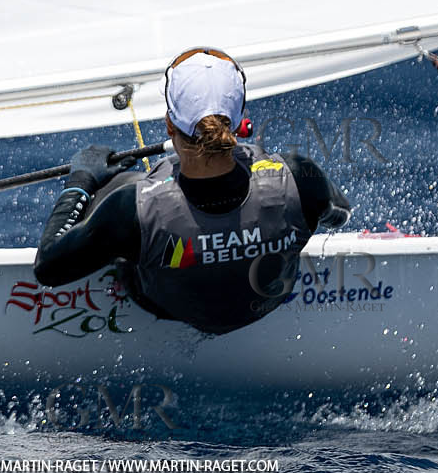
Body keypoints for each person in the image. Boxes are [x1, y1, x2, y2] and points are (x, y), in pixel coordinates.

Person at [33, 47, 351, 334]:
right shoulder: (298, 176)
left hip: (166, 308)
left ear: (170, 125)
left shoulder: (131, 207)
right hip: (267, 301)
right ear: (239, 121)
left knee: (119, 189)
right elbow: (338, 215)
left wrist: (82, 181)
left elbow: (48, 267)